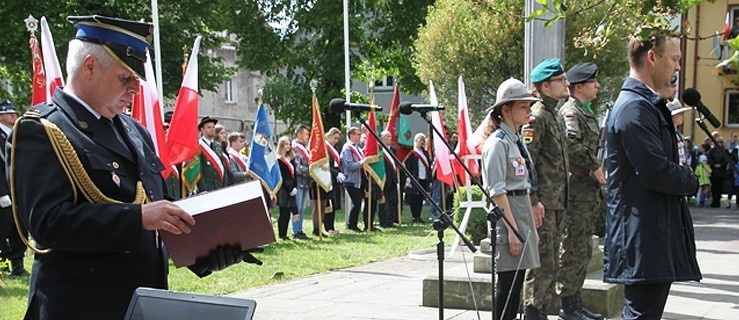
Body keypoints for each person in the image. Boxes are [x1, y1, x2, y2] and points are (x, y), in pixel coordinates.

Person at [8, 15, 260, 319]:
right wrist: (138, 217)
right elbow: (48, 224)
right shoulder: (44, 129)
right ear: (89, 67)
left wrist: (207, 251)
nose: (135, 90)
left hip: (144, 303)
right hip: (80, 307)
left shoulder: (133, 130)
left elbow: (159, 215)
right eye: (125, 78)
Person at [604, 30, 700, 320]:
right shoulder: (635, 107)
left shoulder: (646, 105)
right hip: (643, 236)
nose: (678, 67)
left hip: (651, 233)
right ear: (652, 57)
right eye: (675, 59)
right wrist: (690, 180)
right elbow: (655, 171)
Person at [480, 78, 541, 320]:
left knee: (517, 282)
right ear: (506, 109)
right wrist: (513, 230)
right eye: (523, 106)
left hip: (520, 209)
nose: (529, 111)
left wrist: (528, 227)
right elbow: (497, 192)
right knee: (507, 283)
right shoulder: (498, 144)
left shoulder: (516, 141)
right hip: (508, 213)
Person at [520, 58, 570, 320]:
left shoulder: (555, 114)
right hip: (543, 204)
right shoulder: (537, 116)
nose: (566, 84)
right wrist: (533, 199)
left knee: (551, 261)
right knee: (540, 262)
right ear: (546, 86)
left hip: (557, 201)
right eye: (561, 80)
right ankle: (533, 311)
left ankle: (541, 309)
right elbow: (527, 160)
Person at [557, 62, 606, 320]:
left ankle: (575, 301)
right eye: (592, 82)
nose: (597, 86)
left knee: (583, 249)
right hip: (575, 192)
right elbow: (571, 145)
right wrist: (595, 167)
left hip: (586, 193)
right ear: (578, 86)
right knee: (572, 248)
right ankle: (568, 307)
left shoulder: (584, 110)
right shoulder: (570, 111)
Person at [0, 101, 29, 278]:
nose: (14, 116)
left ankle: (17, 265)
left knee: (20, 228)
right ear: (1, 116)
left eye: (15, 113)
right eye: (9, 114)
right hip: (3, 191)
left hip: (18, 190)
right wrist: (1, 192)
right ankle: (2, 265)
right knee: (3, 229)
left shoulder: (18, 133)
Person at [197, 116, 230, 192]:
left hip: (219, 186)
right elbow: (199, 170)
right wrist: (203, 189)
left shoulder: (218, 145)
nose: (212, 129)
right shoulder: (199, 146)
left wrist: (225, 186)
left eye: (213, 127)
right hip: (207, 187)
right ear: (202, 129)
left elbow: (223, 166)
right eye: (209, 127)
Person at [341, 127, 365, 232]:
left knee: (358, 202)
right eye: (357, 134)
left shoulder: (358, 148)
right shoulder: (347, 148)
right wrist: (362, 163)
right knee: (357, 202)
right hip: (350, 180)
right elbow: (349, 165)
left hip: (359, 180)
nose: (360, 136)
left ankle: (353, 224)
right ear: (351, 135)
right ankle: (351, 225)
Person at [404, 133, 431, 224]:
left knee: (420, 198)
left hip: (423, 178)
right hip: (415, 178)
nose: (422, 142)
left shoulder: (425, 152)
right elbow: (408, 166)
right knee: (414, 198)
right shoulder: (411, 153)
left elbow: (428, 165)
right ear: (415, 141)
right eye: (420, 140)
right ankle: (414, 216)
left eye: (423, 140)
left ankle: (418, 216)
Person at [275, 136, 298, 240]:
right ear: (281, 145)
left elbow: (294, 174)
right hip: (283, 189)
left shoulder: (291, 159)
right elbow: (282, 176)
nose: (288, 146)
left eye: (289, 144)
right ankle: (281, 234)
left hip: (292, 187)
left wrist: (294, 186)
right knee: (283, 212)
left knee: (288, 212)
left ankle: (285, 233)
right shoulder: (278, 159)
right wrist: (289, 189)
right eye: (286, 144)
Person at [292, 124, 311, 240]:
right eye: (306, 134)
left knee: (302, 207)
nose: (308, 136)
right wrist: (311, 171)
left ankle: (300, 229)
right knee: (297, 207)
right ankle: (295, 230)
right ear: (299, 134)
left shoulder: (305, 147)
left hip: (306, 181)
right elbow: (297, 167)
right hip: (297, 181)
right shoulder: (294, 147)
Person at [323, 127, 343, 235]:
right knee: (329, 203)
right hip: (328, 176)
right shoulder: (325, 147)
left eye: (337, 139)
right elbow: (325, 165)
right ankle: (328, 227)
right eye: (334, 138)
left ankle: (332, 226)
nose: (336, 141)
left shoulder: (336, 148)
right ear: (329, 136)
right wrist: (336, 173)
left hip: (335, 177)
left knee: (334, 202)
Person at [379, 130, 399, 228]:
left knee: (394, 199)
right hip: (383, 178)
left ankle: (391, 220)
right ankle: (384, 221)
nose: (389, 138)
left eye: (390, 136)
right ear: (382, 138)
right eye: (387, 136)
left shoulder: (393, 150)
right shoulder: (379, 150)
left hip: (393, 178)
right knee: (383, 201)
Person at [706, 139, 727, 208]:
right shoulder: (712, 151)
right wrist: (714, 164)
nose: (719, 144)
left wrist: (721, 164)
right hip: (713, 171)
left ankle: (717, 202)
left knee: (720, 188)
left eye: (720, 143)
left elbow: (726, 160)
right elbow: (709, 159)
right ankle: (714, 202)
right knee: (714, 187)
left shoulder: (724, 151)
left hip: (721, 172)